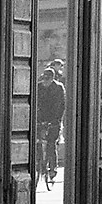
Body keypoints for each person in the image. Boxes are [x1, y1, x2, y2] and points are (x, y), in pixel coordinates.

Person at [36, 60, 66, 191]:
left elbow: (61, 106)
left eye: (48, 79)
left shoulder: (58, 88)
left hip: (54, 120)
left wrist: (56, 120)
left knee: (51, 144)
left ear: (52, 78)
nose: (45, 81)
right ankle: (38, 163)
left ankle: (52, 169)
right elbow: (35, 103)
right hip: (41, 119)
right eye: (44, 78)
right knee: (37, 141)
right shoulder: (38, 87)